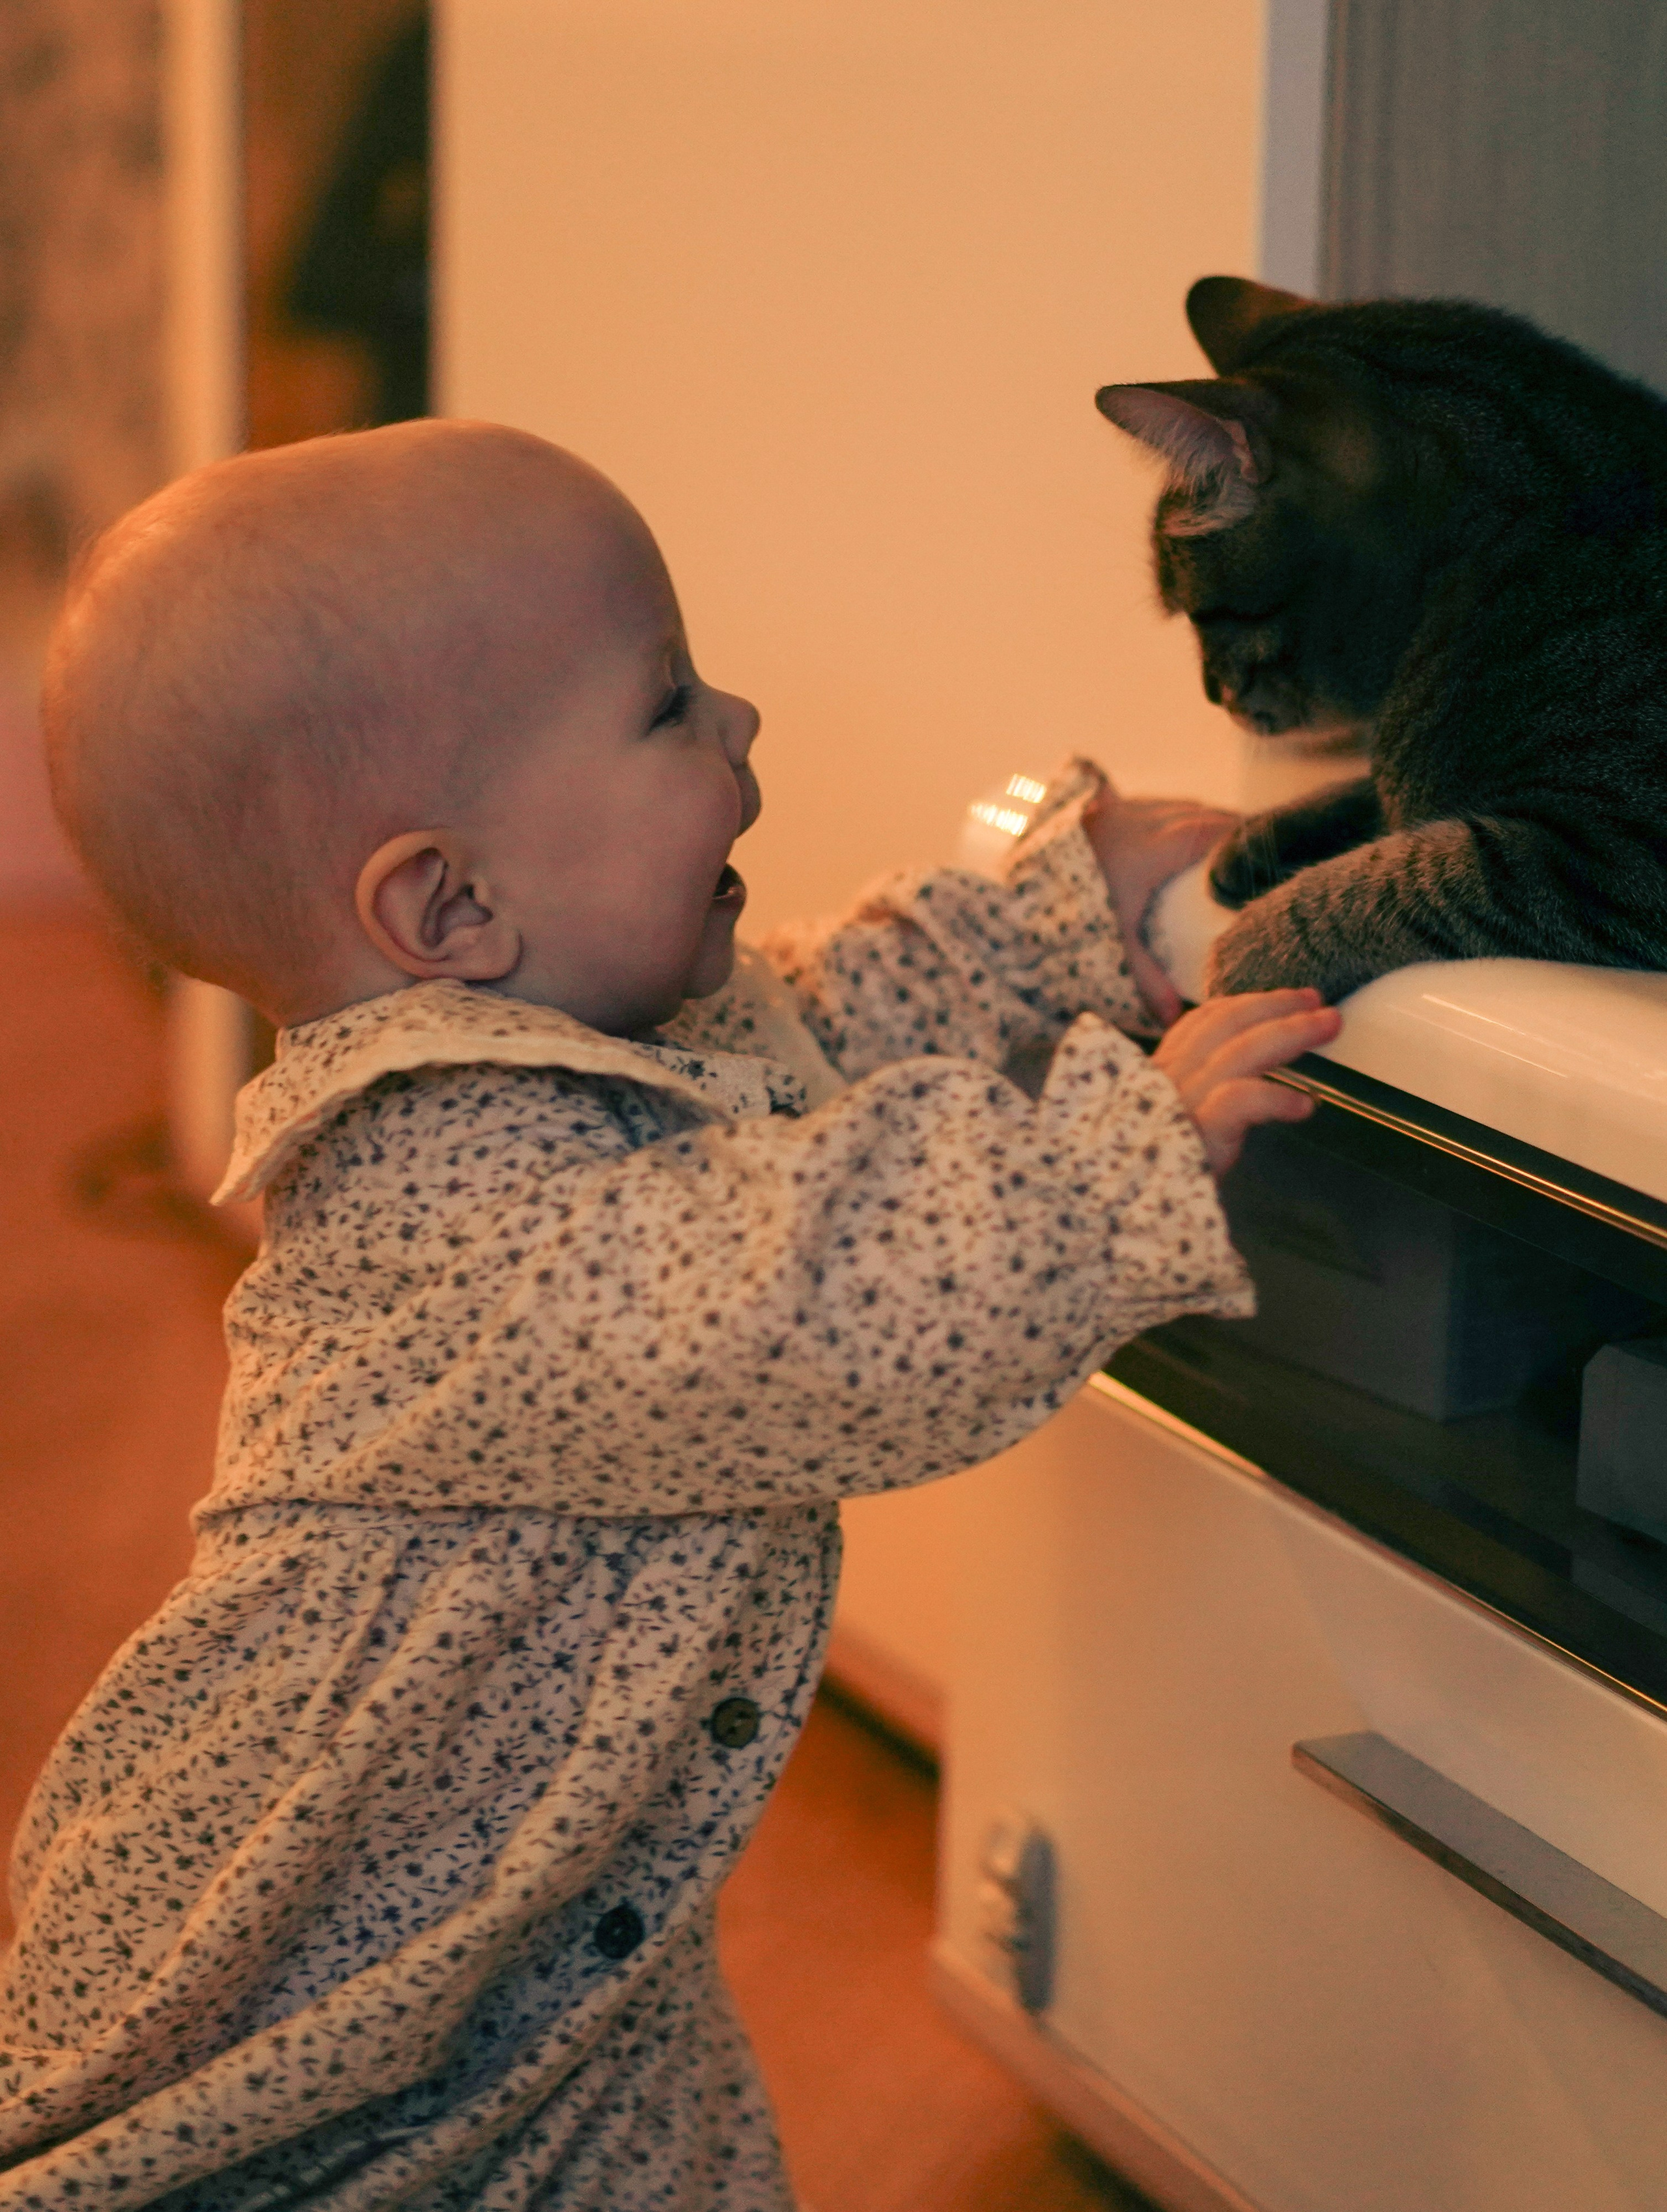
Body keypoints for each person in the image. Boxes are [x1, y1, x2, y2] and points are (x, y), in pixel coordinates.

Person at [2, 419, 1339, 2209]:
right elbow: (809, 1289)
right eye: (669, 705)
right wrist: (1122, 1154)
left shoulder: (591, 1046)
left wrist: (1038, 925)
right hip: (319, 1993)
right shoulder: (457, 1225)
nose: (744, 726)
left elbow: (804, 1022)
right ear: (447, 904)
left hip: (549, 1940)